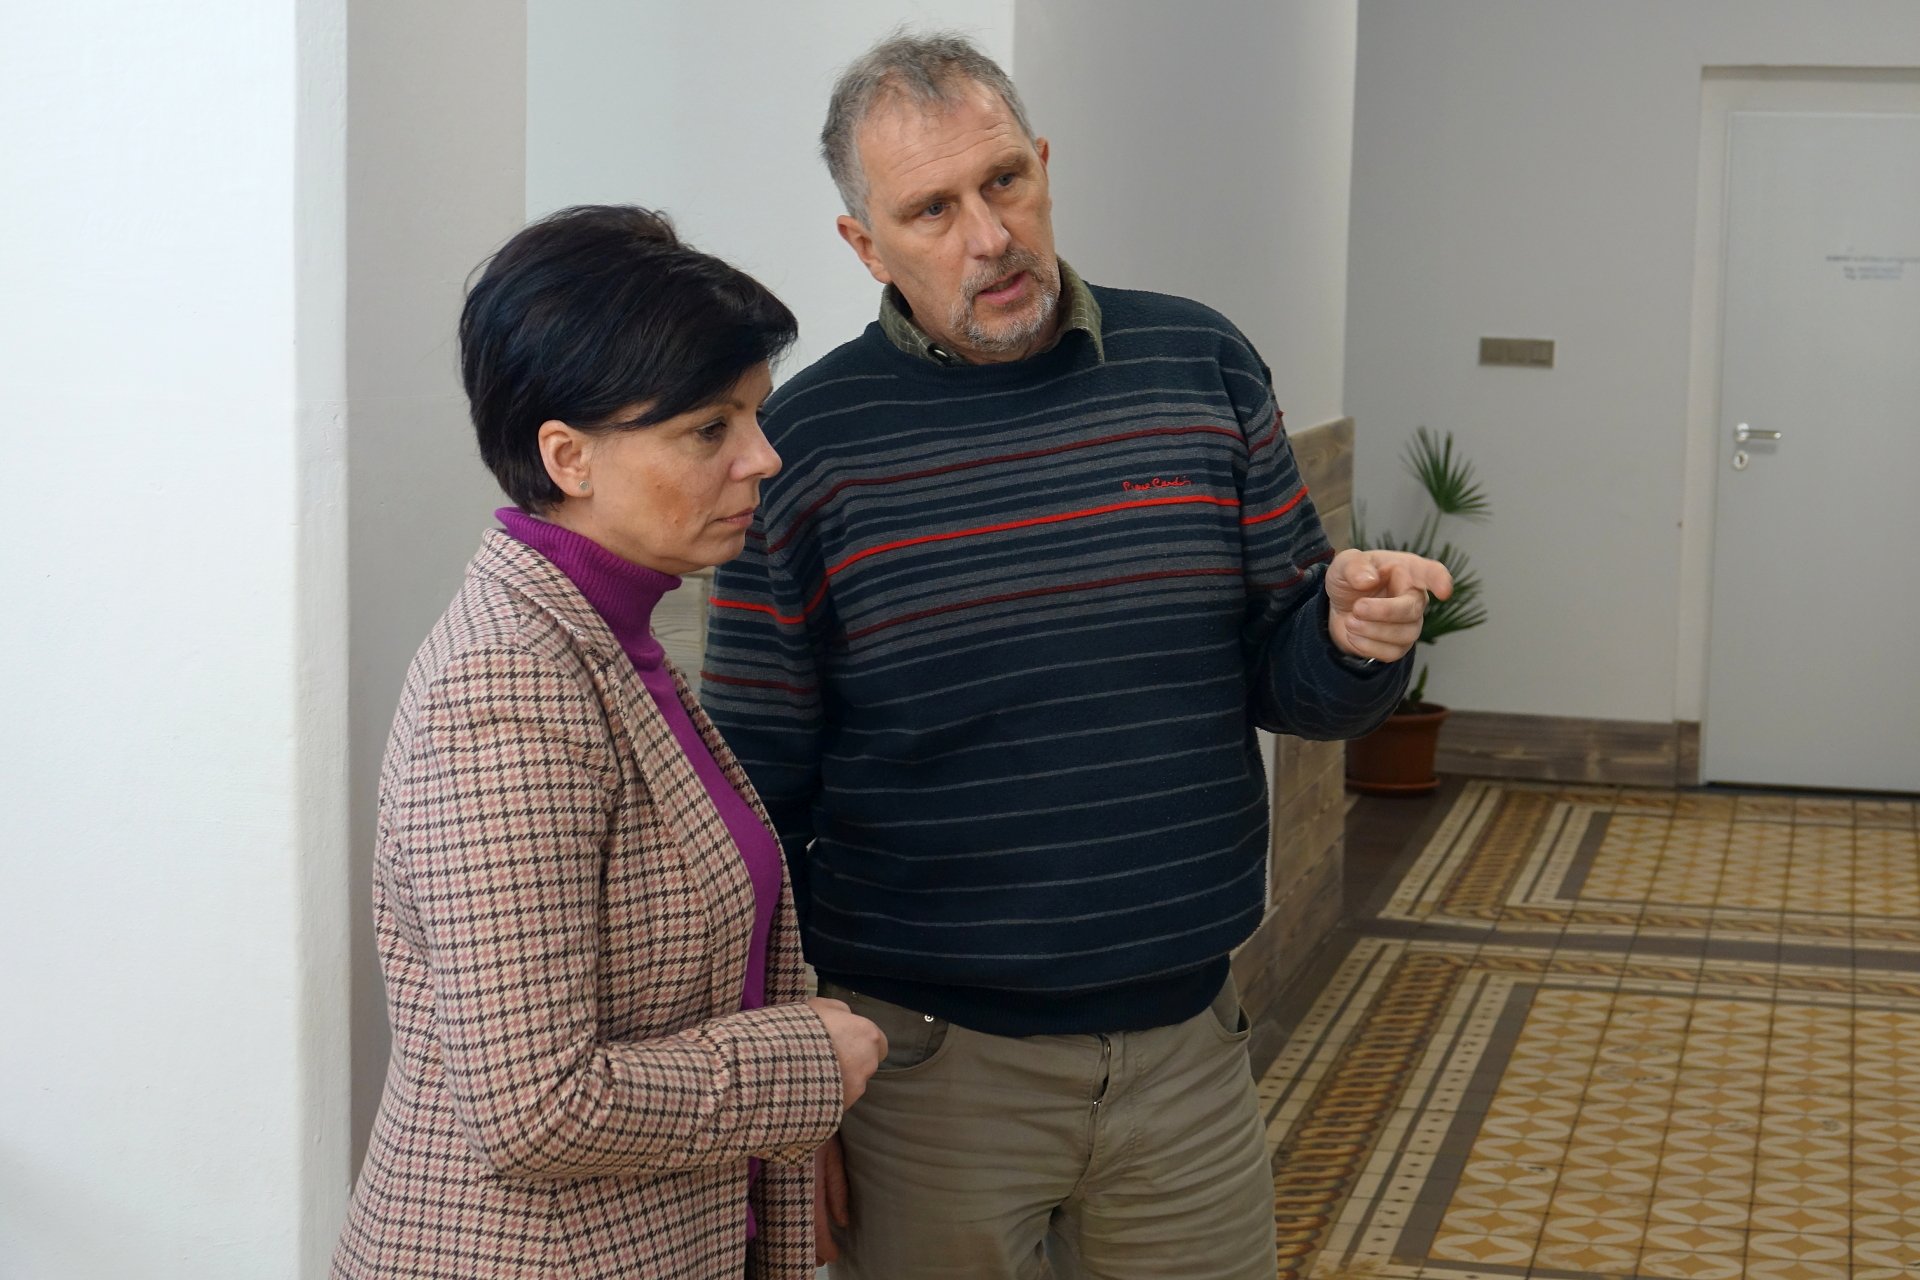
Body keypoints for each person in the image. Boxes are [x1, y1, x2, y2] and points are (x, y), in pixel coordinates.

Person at [700, 33, 1452, 1280]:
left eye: (1004, 181)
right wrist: (792, 1079)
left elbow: (1289, 678)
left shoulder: (1200, 365)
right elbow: (756, 794)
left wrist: (1347, 636)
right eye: (932, 210)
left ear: (1044, 165)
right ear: (864, 245)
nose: (989, 236)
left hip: (1189, 1049)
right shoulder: (803, 448)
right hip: (926, 1070)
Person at [330, 205, 887, 1280]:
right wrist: (804, 1060)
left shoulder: (611, 638)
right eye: (710, 429)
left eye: (756, 415)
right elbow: (535, 1108)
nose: (762, 457)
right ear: (568, 457)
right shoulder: (508, 685)